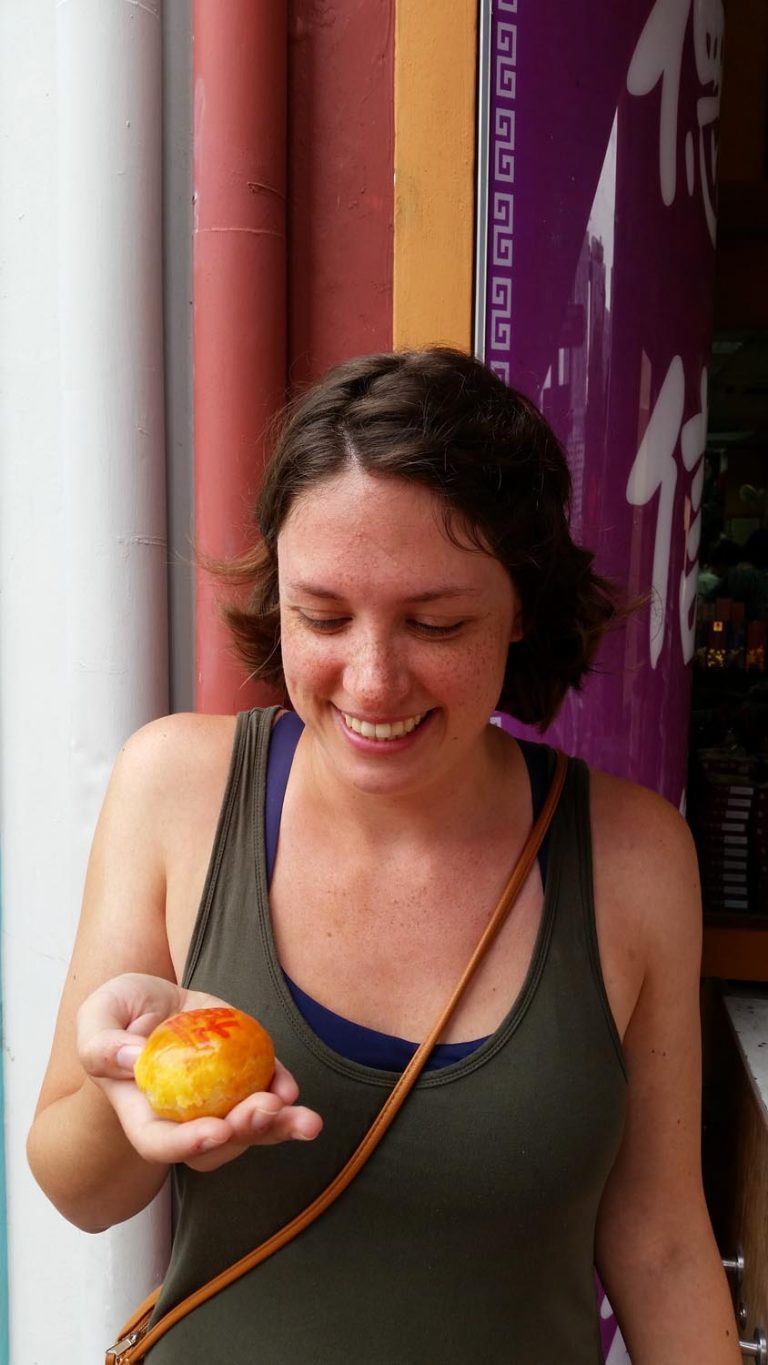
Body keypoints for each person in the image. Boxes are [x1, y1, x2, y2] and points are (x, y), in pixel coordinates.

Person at [27, 348, 741, 1363]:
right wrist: (121, 1099)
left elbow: (662, 1239)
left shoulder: (632, 855)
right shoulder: (177, 789)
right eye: (321, 615)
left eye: (434, 622)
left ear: (522, 605)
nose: (370, 682)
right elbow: (77, 1192)